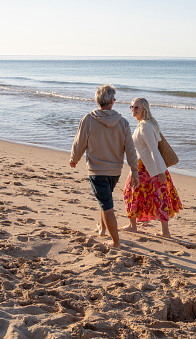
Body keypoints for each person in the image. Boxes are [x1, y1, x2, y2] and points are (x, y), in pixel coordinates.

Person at [69, 84, 139, 248]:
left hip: (97, 170)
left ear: (97, 101)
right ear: (113, 101)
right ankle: (102, 230)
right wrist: (134, 170)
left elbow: (79, 143)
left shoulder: (89, 119)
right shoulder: (123, 122)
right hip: (115, 171)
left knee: (107, 205)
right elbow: (130, 150)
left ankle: (115, 242)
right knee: (104, 200)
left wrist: (74, 158)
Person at [122, 98, 182, 238]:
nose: (133, 109)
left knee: (133, 193)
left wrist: (161, 171)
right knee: (158, 197)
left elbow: (154, 150)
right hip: (147, 167)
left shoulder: (144, 127)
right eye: (132, 106)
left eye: (137, 107)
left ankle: (134, 226)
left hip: (145, 168)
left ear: (144, 110)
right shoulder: (145, 124)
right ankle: (163, 231)